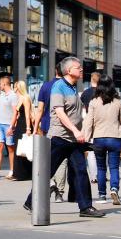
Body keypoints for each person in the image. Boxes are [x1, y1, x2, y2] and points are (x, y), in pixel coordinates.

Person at [22, 56, 104, 218]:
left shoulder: (73, 87)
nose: (81, 69)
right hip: (59, 138)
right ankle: (31, 201)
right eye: (78, 67)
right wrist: (75, 130)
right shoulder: (58, 87)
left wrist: (82, 131)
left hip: (73, 140)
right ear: (68, 70)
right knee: (47, 171)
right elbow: (59, 112)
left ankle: (85, 207)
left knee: (81, 171)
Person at [82, 74, 121, 204]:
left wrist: (86, 138)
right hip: (115, 137)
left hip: (99, 138)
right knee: (114, 167)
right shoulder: (118, 102)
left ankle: (102, 195)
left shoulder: (94, 102)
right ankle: (114, 188)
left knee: (101, 168)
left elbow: (88, 122)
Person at [33, 65, 67, 200]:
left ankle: (51, 182)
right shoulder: (67, 87)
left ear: (55, 71)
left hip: (47, 126)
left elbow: (40, 109)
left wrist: (35, 127)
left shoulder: (46, 86)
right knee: (61, 160)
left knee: (46, 157)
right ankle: (60, 192)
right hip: (63, 128)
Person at [0, 76, 19, 179]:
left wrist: (11, 126)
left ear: (4, 84)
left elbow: (15, 112)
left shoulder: (13, 96)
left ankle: (12, 170)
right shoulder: (1, 95)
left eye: (0, 84)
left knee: (10, 148)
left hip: (8, 125)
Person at [10, 80, 34, 180]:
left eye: (15, 87)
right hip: (19, 124)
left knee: (24, 148)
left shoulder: (25, 98)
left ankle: (23, 174)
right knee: (19, 148)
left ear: (19, 88)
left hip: (24, 125)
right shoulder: (19, 99)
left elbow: (27, 115)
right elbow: (17, 114)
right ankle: (18, 173)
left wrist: (28, 128)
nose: (14, 89)